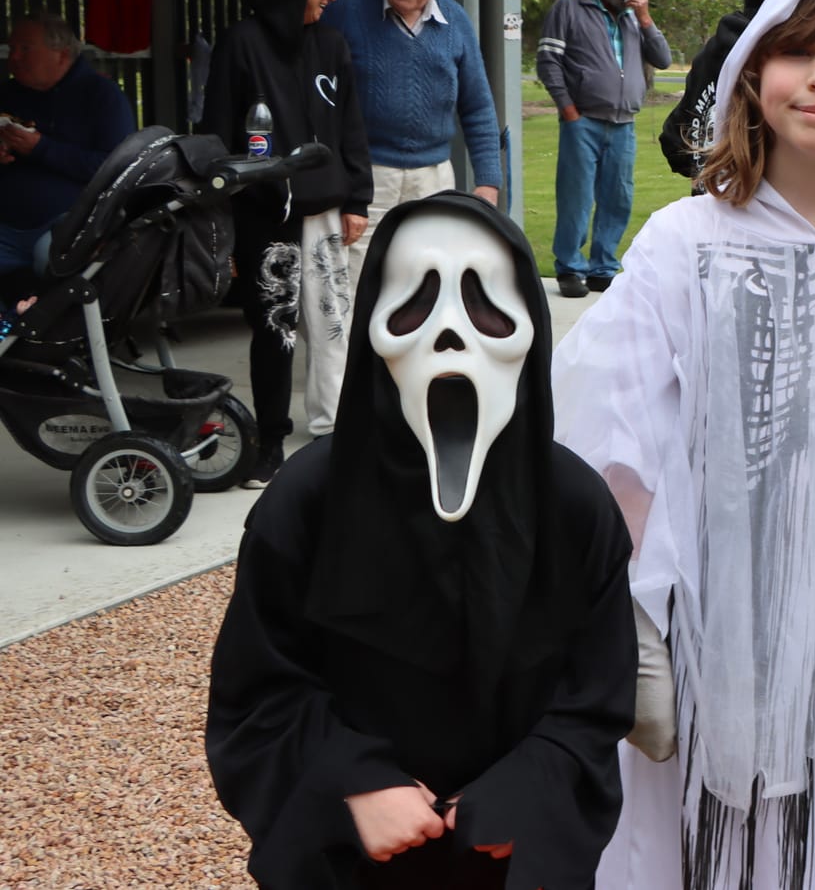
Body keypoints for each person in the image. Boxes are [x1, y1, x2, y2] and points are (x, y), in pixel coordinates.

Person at [552, 0, 815, 890]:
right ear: (752, 73)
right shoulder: (686, 241)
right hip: (706, 620)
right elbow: (612, 426)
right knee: (690, 845)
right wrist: (634, 624)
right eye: (798, 52)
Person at [206, 192, 636, 889]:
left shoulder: (573, 507)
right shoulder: (307, 502)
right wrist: (351, 781)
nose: (449, 334)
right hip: (352, 862)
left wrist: (534, 784)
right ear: (373, 325)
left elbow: (595, 699)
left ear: (530, 328)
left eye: (487, 306)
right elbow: (256, 690)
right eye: (413, 305)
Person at [199, 0, 371, 486]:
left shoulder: (331, 43)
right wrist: (221, 222)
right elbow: (217, 134)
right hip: (264, 214)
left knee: (333, 323)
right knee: (274, 329)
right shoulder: (241, 45)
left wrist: (357, 198)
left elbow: (350, 126)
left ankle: (339, 430)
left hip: (326, 210)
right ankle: (269, 442)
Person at [324, 0, 503, 279]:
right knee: (354, 280)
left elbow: (478, 106)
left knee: (428, 279)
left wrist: (488, 182)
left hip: (434, 178)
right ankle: (354, 339)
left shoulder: (455, 21)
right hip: (365, 178)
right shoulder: (347, 10)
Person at [536, 0, 671, 298]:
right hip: (583, 121)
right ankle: (569, 268)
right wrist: (568, 110)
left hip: (623, 122)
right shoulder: (570, 7)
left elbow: (663, 59)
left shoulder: (631, 15)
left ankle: (603, 268)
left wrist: (645, 18)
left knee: (618, 199)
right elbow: (548, 61)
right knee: (576, 198)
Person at [658, 0, 815, 182]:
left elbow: (675, 143)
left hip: (710, 210)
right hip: (762, 213)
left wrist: (711, 172)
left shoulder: (716, 50)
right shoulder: (787, 61)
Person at [0, 12, 135, 282]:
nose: (13, 57)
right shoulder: (8, 93)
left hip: (68, 225)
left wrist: (40, 148)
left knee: (54, 262)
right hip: (7, 225)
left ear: (60, 54)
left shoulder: (101, 96)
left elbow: (116, 168)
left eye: (25, 49)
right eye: (12, 48)